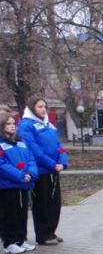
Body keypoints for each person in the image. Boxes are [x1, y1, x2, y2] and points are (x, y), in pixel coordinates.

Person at [18, 96, 68, 245]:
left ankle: (51, 231)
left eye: (44, 106)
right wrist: (52, 164)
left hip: (53, 170)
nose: (43, 109)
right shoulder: (26, 125)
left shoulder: (48, 124)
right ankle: (43, 235)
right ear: (32, 108)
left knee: (54, 203)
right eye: (40, 107)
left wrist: (62, 161)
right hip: (40, 171)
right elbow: (35, 150)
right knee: (41, 204)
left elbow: (59, 145)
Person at [0, 111, 38, 253]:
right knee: (9, 214)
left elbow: (31, 158)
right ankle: (9, 242)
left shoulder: (21, 141)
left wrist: (31, 173)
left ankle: (21, 239)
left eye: (13, 123)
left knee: (22, 213)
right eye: (8, 124)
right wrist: (20, 176)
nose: (12, 126)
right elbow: (2, 165)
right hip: (7, 186)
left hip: (23, 184)